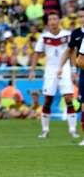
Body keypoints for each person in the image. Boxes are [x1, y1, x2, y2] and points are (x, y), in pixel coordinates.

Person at [30, 11, 78, 139]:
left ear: (59, 21)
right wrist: (32, 70)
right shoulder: (44, 37)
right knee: (47, 100)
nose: (52, 22)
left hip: (65, 68)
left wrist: (74, 69)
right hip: (50, 70)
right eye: (50, 19)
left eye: (55, 19)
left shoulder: (67, 35)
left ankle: (72, 130)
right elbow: (36, 53)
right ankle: (45, 130)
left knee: (68, 98)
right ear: (47, 22)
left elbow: (72, 53)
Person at [58, 7, 84, 134]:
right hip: (82, 70)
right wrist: (67, 68)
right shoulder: (76, 33)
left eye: (83, 16)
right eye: (80, 16)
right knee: (82, 102)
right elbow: (70, 52)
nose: (82, 19)